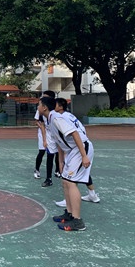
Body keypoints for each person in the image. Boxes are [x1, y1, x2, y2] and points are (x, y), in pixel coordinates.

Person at [38, 95, 94, 231]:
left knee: (71, 182)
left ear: (44, 107)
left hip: (80, 148)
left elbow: (75, 134)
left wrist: (84, 156)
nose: (37, 107)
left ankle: (77, 221)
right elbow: (59, 142)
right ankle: (69, 214)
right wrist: (61, 161)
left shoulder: (56, 118)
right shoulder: (50, 119)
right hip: (71, 151)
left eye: (39, 105)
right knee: (65, 181)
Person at [53, 98, 100, 207]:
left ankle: (69, 202)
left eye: (54, 104)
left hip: (79, 147)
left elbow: (75, 134)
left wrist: (82, 154)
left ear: (60, 107)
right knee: (81, 172)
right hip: (79, 146)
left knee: (70, 177)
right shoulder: (70, 115)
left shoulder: (61, 118)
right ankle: (92, 195)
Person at [33, 90, 59, 186]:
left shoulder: (57, 115)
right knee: (45, 153)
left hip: (57, 136)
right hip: (46, 134)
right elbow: (42, 124)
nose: (38, 106)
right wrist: (44, 139)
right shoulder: (42, 112)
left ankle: (58, 171)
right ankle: (44, 175)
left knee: (59, 154)